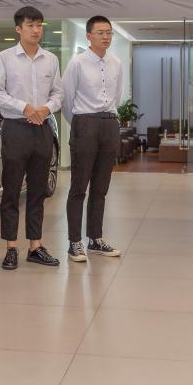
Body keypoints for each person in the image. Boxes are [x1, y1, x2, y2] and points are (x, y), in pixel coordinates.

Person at [0, 6, 64, 270]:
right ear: (18, 29)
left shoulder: (50, 59)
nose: (36, 30)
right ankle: (11, 247)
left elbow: (58, 93)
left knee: (38, 191)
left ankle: (35, 246)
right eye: (30, 25)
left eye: (39, 25)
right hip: (15, 128)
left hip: (42, 128)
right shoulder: (4, 58)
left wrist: (46, 108)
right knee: (11, 190)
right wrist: (24, 107)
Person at [62, 15, 123, 262]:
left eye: (109, 32)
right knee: (79, 187)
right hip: (85, 123)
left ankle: (95, 239)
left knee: (101, 187)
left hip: (109, 123)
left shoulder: (116, 62)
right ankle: (74, 242)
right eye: (100, 32)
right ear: (89, 36)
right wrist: (80, 124)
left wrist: (108, 121)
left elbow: (117, 96)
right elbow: (67, 99)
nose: (106, 37)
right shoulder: (77, 63)